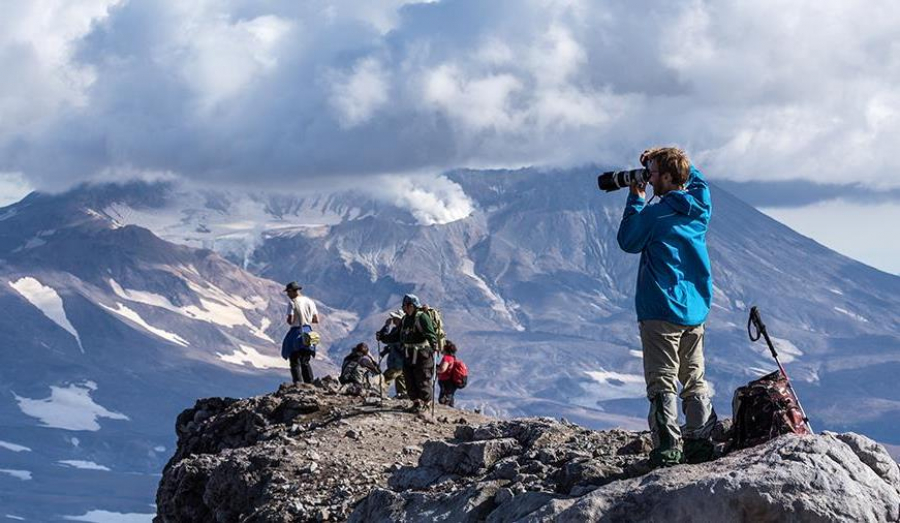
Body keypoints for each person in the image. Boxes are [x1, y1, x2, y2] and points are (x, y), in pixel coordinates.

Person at [616, 147, 718, 468]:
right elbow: (698, 180)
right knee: (694, 378)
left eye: (655, 173)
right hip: (695, 309)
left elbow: (628, 241)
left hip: (661, 309)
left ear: (670, 177)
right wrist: (670, 158)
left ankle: (668, 451)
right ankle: (700, 446)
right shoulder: (700, 206)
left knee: (662, 382)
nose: (650, 178)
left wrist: (636, 197)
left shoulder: (656, 215)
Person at [376, 294, 437, 414]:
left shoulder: (422, 317)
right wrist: (383, 337)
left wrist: (434, 344)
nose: (403, 308)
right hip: (408, 353)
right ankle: (416, 403)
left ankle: (426, 405)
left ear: (411, 306)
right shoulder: (405, 319)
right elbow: (396, 336)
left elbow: (430, 333)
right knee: (409, 379)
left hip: (422, 354)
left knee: (422, 378)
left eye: (405, 306)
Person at [280, 281, 320, 384]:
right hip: (308, 331)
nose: (288, 295)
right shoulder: (310, 302)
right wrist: (307, 318)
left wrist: (293, 320)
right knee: (305, 361)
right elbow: (316, 319)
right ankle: (310, 383)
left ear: (292, 291)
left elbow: (290, 320)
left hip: (296, 332)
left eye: (288, 292)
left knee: (294, 360)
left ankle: (298, 383)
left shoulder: (292, 302)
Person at [378, 310, 408, 398]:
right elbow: (390, 344)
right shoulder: (397, 330)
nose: (393, 320)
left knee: (385, 378)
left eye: (395, 318)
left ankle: (380, 393)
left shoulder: (401, 332)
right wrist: (385, 352)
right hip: (400, 362)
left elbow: (386, 339)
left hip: (397, 363)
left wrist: (386, 326)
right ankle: (402, 395)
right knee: (400, 379)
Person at [437, 340, 459, 407]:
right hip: (450, 381)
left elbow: (442, 369)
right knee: (449, 397)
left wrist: (435, 369)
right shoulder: (452, 358)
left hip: (446, 381)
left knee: (443, 399)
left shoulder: (447, 358)